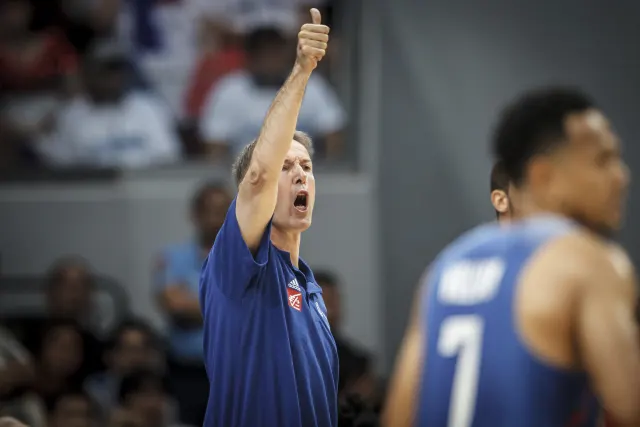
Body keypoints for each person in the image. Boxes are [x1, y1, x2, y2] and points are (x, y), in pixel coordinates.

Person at [383, 87, 640, 427]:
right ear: (543, 176)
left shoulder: (446, 266)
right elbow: (629, 411)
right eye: (602, 160)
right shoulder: (590, 262)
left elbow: (398, 418)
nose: (621, 176)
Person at [199, 8, 338, 427]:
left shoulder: (310, 289)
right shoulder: (237, 264)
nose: (300, 173)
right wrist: (300, 70)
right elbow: (259, 175)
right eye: (287, 166)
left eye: (307, 168)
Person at [154, 182, 231, 426]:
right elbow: (175, 306)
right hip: (186, 372)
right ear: (194, 214)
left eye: (225, 210)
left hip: (235, 372)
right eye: (211, 209)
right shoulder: (172, 257)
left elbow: (254, 310)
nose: (218, 217)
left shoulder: (253, 260)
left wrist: (196, 303)